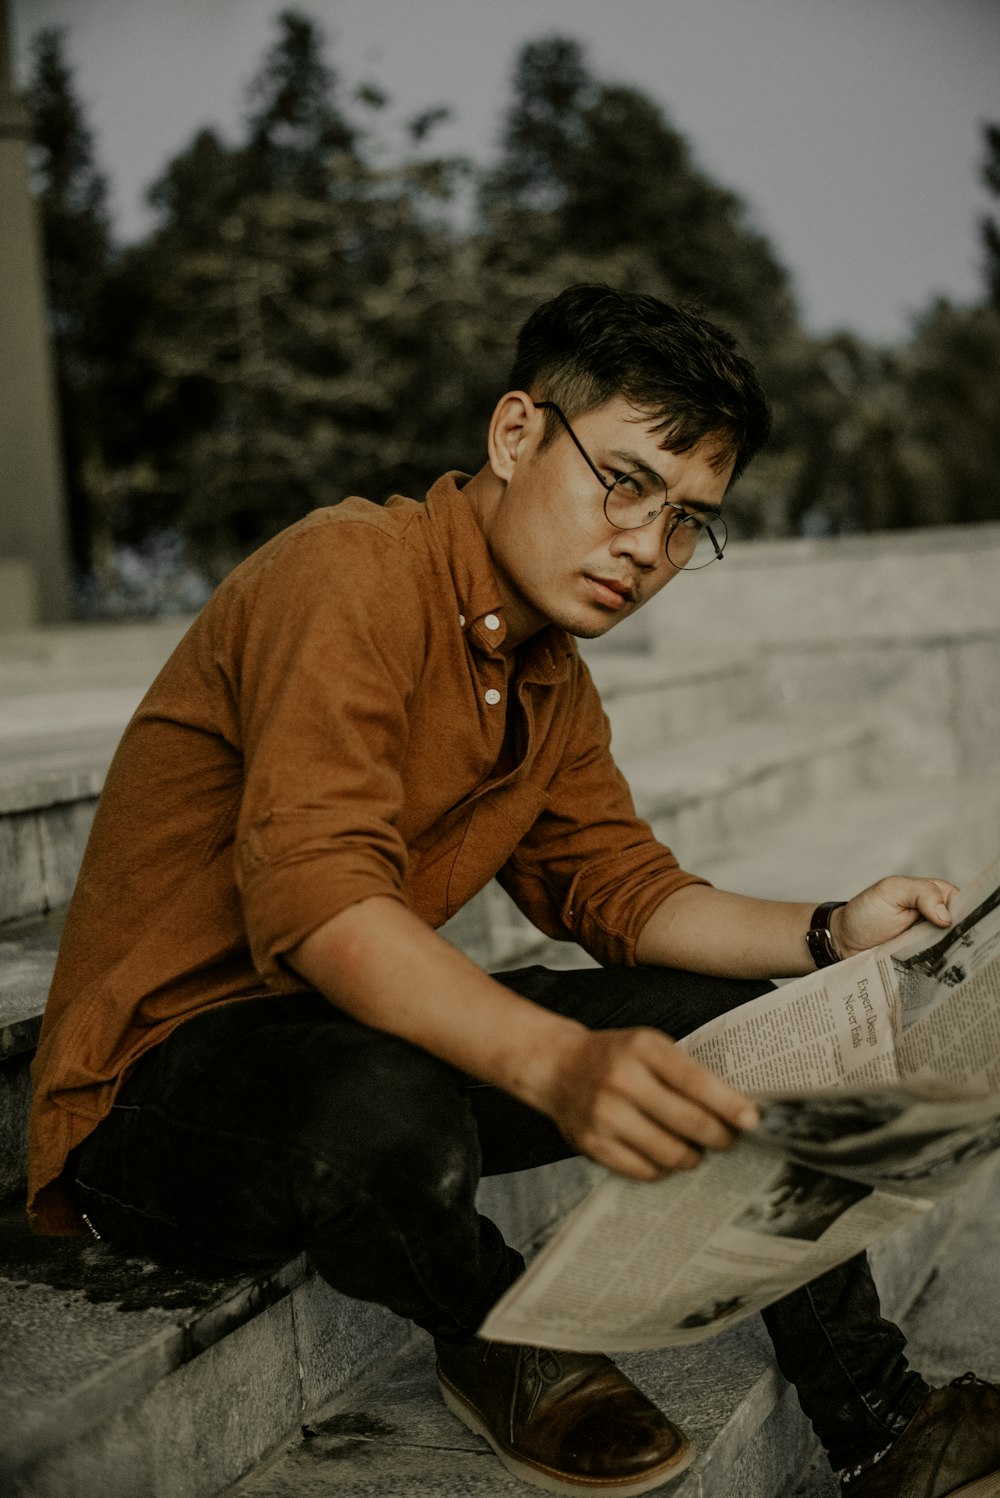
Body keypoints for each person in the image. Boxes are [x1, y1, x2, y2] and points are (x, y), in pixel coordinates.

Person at [28, 285, 1000, 1497]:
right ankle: (502, 1336)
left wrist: (828, 929)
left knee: (731, 1016)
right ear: (514, 435)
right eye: (625, 481)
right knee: (383, 1104)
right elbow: (318, 903)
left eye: (689, 519)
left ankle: (877, 1416)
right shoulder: (348, 573)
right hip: (156, 1089)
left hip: (341, 1028)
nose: (648, 545)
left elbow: (621, 890)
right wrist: (553, 1063)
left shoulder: (547, 674)